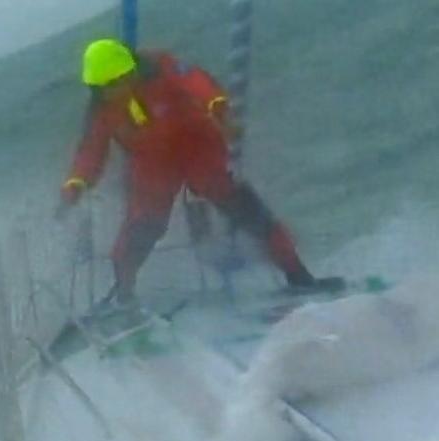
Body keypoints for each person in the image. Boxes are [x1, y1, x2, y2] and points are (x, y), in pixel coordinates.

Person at [57, 38, 340, 306]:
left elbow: (196, 81)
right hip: (151, 164)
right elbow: (91, 151)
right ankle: (123, 296)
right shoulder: (101, 110)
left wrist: (218, 107)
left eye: (120, 81)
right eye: (108, 87)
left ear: (130, 71)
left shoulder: (161, 67)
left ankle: (298, 276)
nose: (117, 90)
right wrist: (76, 183)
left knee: (245, 208)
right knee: (142, 226)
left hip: (197, 147)